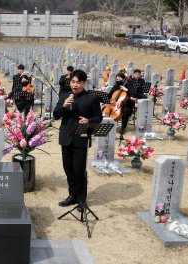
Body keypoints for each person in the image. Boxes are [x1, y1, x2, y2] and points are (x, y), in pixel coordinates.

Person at [53, 69, 102, 210]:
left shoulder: (91, 98)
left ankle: (81, 199)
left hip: (81, 138)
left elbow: (98, 117)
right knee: (68, 169)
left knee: (79, 171)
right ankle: (72, 195)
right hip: (66, 137)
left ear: (84, 83)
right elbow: (56, 115)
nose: (75, 85)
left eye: (78, 82)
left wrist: (89, 120)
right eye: (72, 82)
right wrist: (63, 106)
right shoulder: (64, 95)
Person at [107, 73, 137, 138]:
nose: (117, 80)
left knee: (126, 111)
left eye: (119, 79)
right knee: (109, 110)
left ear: (123, 79)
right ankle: (109, 125)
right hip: (117, 104)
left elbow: (134, 94)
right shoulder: (115, 87)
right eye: (116, 79)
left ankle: (123, 128)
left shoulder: (128, 85)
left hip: (128, 104)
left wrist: (126, 89)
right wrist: (111, 100)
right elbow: (109, 96)